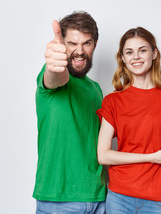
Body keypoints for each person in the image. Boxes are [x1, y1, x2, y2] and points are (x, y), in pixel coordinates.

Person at [97, 27, 161, 214]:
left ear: (154, 53)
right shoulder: (113, 101)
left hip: (157, 198)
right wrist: (152, 157)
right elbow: (103, 155)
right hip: (119, 197)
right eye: (129, 52)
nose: (136, 57)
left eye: (142, 50)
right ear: (123, 58)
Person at [33, 11, 107, 214]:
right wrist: (54, 66)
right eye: (72, 43)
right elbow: (56, 76)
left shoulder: (96, 89)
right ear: (62, 45)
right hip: (59, 201)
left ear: (95, 44)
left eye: (87, 43)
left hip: (99, 198)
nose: (80, 51)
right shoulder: (52, 77)